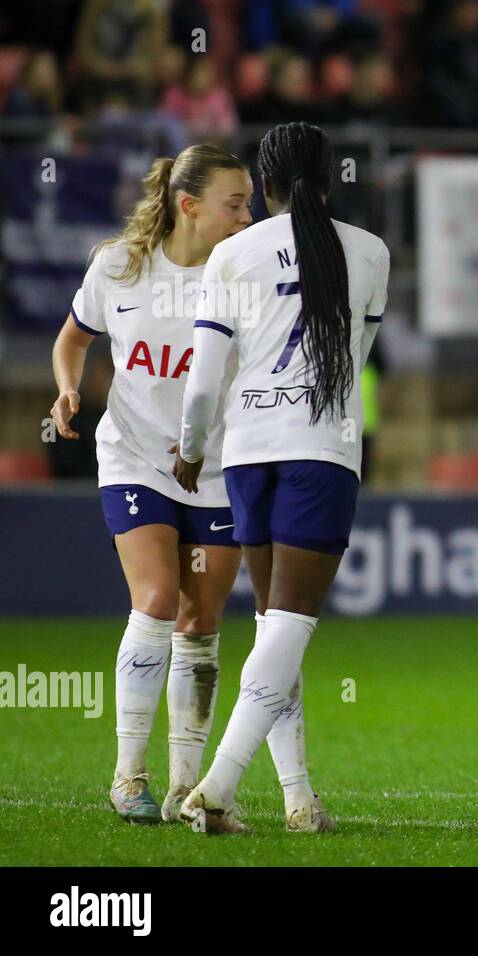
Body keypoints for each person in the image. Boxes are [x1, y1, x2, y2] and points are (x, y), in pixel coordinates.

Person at [174, 121, 389, 834]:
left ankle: (299, 800)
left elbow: (204, 380)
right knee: (288, 629)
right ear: (329, 181)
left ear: (263, 188)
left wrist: (190, 448)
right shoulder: (369, 253)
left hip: (245, 454)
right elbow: (357, 355)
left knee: (275, 628)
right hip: (319, 452)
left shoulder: (231, 255)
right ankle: (217, 787)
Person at [49, 145, 252, 824]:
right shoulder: (120, 266)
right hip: (136, 458)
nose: (247, 215)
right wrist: (69, 389)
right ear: (188, 206)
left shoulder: (243, 275)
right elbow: (72, 338)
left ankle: (184, 786)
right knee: (159, 598)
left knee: (202, 620)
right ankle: (128, 774)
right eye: (235, 203)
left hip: (218, 468)